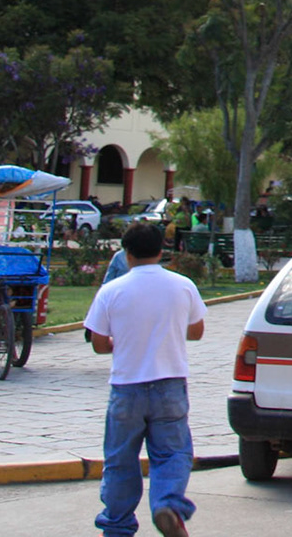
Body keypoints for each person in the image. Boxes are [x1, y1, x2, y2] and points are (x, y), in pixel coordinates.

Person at [84, 221, 206, 537]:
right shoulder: (182, 285)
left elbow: (98, 343)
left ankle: (117, 527)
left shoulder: (111, 291)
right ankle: (166, 503)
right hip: (170, 384)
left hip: (126, 386)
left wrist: (120, 341)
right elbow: (196, 331)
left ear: (127, 254)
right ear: (161, 251)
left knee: (120, 460)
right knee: (173, 453)